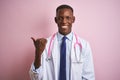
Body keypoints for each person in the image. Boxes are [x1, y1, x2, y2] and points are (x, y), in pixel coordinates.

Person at [29, 4, 95, 80]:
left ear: (73, 19)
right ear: (56, 20)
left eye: (68, 18)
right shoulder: (44, 45)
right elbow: (35, 78)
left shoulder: (84, 45)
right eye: (60, 18)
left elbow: (88, 77)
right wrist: (38, 53)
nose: (64, 21)